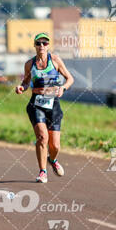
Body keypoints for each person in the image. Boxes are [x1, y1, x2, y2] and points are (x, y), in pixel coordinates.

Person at [15, 33, 74, 183]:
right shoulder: (29, 64)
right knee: (42, 137)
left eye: (44, 43)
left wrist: (63, 89)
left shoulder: (55, 60)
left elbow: (70, 78)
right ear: (34, 45)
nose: (41, 46)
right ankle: (43, 172)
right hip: (36, 104)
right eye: (38, 43)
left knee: (55, 145)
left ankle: (52, 160)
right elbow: (26, 81)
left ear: (48, 45)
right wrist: (21, 87)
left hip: (53, 104)